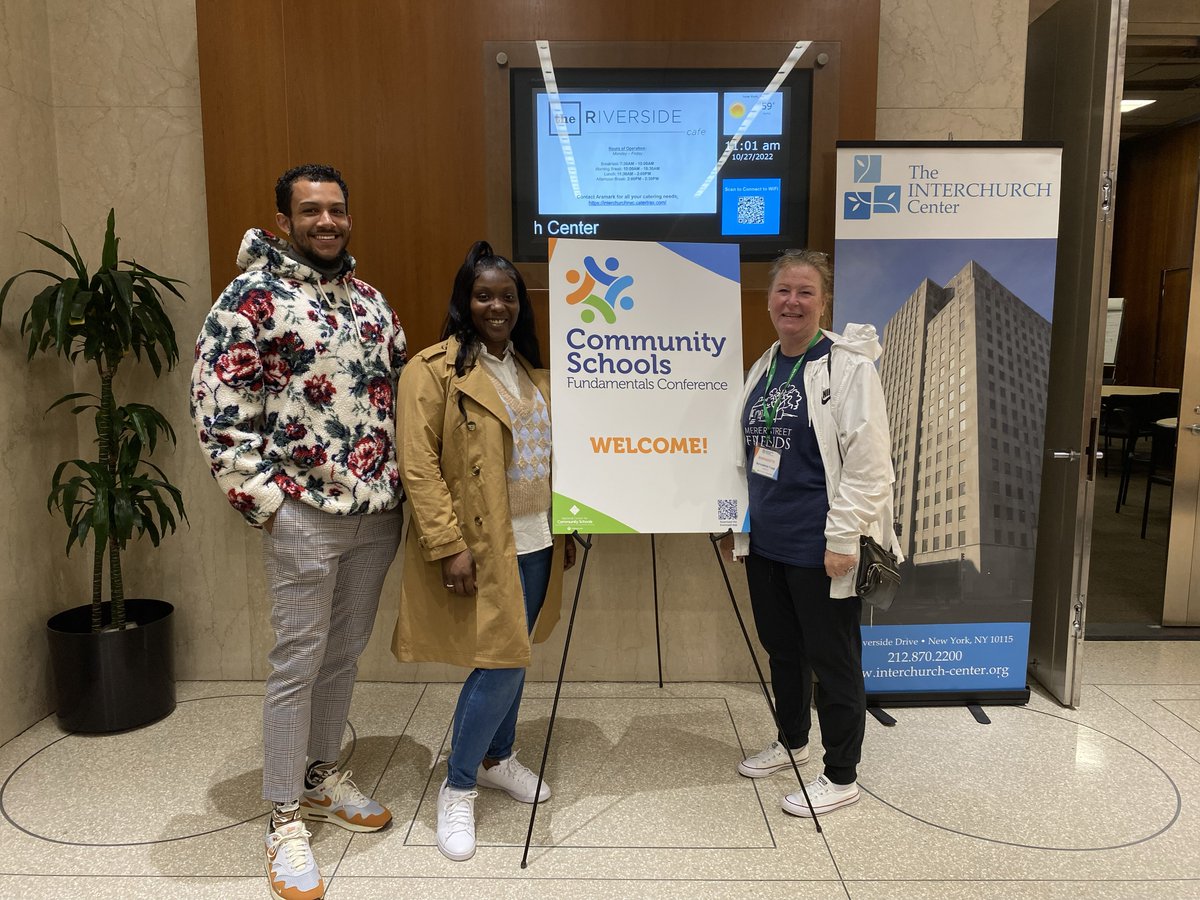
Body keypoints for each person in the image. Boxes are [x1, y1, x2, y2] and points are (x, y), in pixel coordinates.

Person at [190, 164, 406, 900]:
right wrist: (269, 504)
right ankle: (283, 816)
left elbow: (403, 396)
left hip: (377, 515)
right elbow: (218, 407)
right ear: (283, 219)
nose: (327, 221)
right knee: (296, 664)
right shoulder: (250, 299)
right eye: (310, 210)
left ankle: (319, 780)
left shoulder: (372, 303)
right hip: (303, 515)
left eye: (337, 209)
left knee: (343, 654)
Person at [392, 240, 575, 861]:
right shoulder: (433, 369)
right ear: (464, 301)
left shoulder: (531, 370)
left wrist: (567, 524)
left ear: (521, 304)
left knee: (515, 655)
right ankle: (460, 783)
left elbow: (550, 459)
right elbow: (418, 468)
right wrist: (448, 544)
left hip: (537, 540)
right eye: (484, 294)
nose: (497, 306)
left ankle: (500, 757)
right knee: (499, 661)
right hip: (484, 543)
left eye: (508, 296)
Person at [724, 248, 901, 818]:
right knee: (783, 651)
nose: (792, 301)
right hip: (769, 542)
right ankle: (792, 740)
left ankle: (841, 774)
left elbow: (872, 466)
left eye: (804, 292)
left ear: (823, 301)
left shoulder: (848, 367)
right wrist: (739, 524)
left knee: (834, 659)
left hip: (822, 546)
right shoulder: (765, 365)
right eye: (783, 291)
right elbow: (747, 457)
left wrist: (843, 538)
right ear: (769, 300)